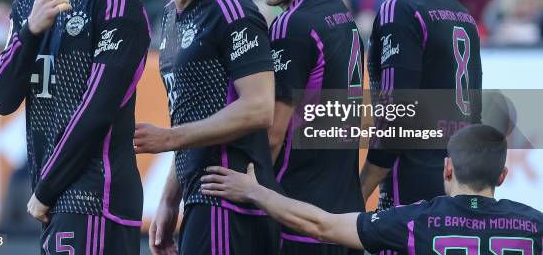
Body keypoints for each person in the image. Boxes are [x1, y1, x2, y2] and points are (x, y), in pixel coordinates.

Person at [0, 0, 150, 255]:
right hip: (56, 197)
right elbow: (0, 96)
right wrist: (30, 31)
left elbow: (97, 111)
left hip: (97, 198)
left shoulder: (118, 1)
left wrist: (45, 188)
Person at [133, 0, 280, 255]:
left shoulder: (232, 11)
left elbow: (260, 107)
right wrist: (170, 198)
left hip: (227, 201)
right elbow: (193, 112)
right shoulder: (168, 16)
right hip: (198, 197)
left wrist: (169, 139)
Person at [201, 124, 543, 253]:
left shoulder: (415, 221)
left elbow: (321, 225)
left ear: (448, 168)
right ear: (502, 175)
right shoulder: (534, 226)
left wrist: (256, 191)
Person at [349, 0, 483, 210]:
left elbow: (396, 117)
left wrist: (359, 191)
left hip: (411, 195)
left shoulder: (399, 9)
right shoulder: (459, 11)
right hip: (458, 187)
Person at [249, 0, 365, 255]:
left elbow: (272, 134)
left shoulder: (291, 25)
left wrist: (250, 188)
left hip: (299, 216)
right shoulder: (340, 11)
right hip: (345, 217)